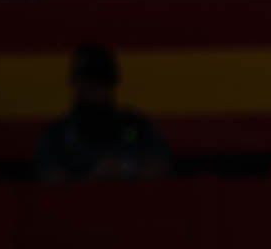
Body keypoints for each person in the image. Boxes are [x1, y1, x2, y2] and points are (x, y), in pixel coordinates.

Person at [36, 42, 173, 179]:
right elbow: (49, 177)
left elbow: (160, 165)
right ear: (75, 83)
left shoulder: (137, 127)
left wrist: (126, 170)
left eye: (102, 80)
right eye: (89, 80)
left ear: (112, 83)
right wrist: (90, 178)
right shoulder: (57, 135)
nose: (95, 88)